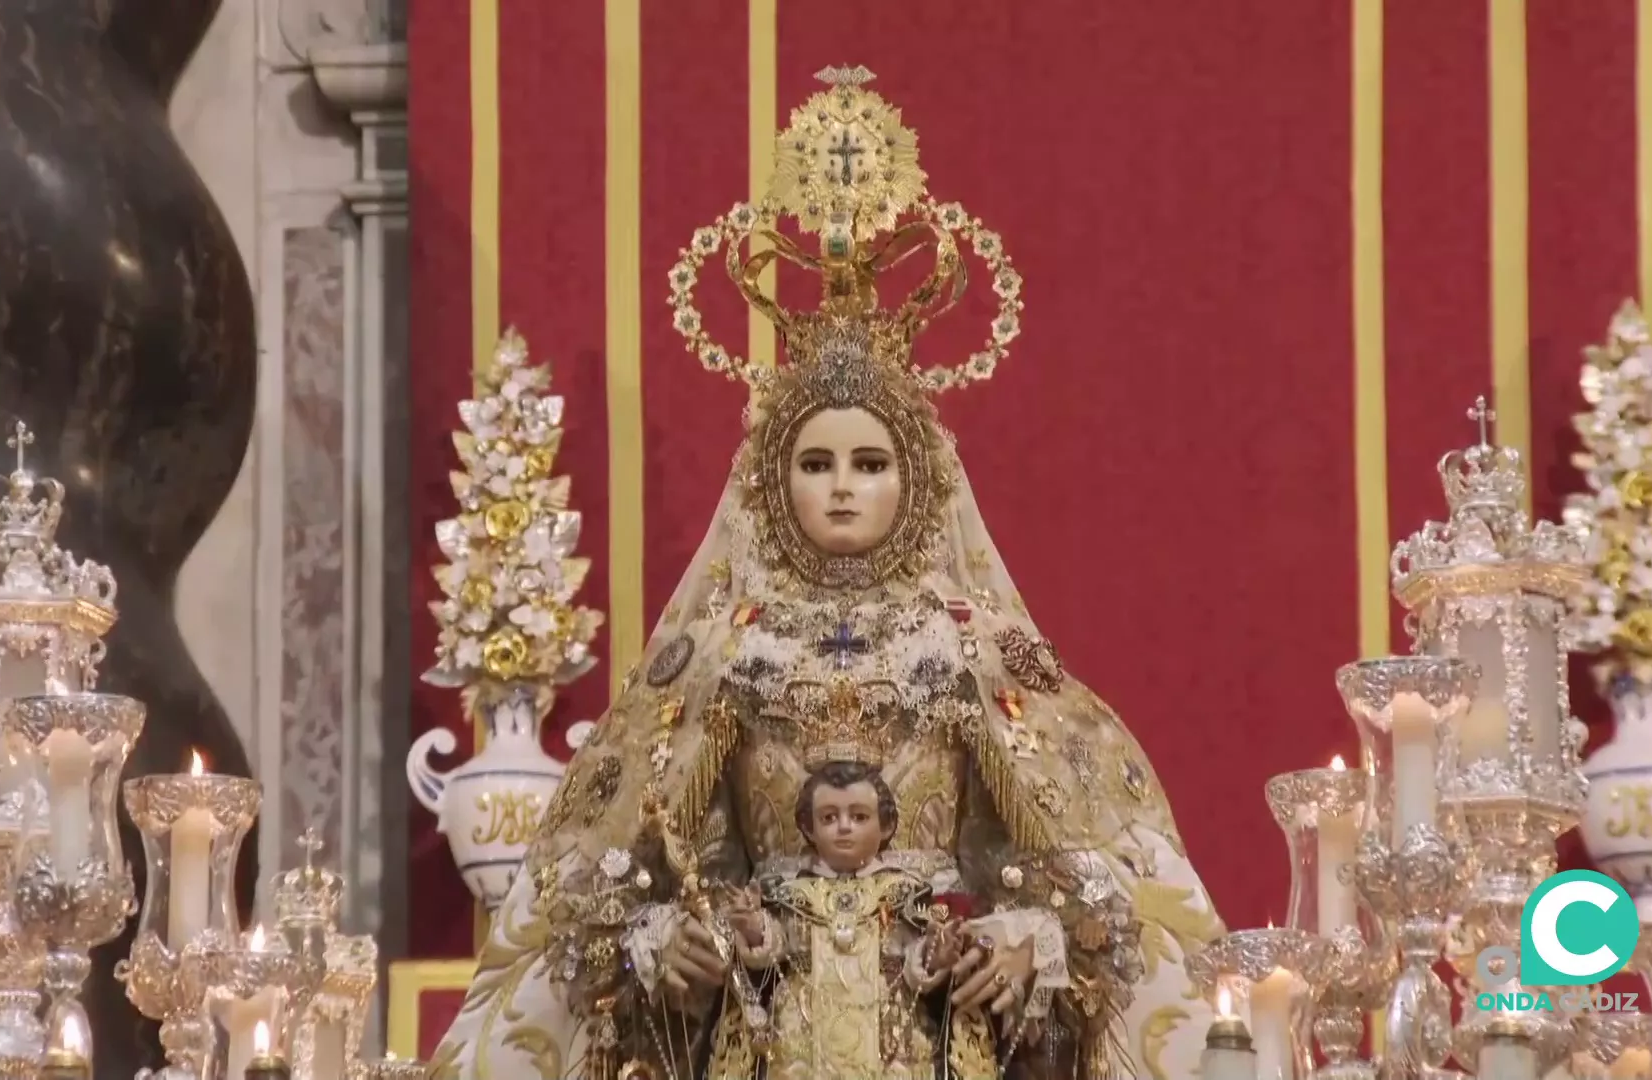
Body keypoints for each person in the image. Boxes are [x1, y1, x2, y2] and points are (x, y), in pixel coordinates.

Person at [431, 67, 1223, 1080]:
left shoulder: (969, 646)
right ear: (772, 481)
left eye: (869, 463)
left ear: (916, 480)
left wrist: (1029, 938)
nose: (842, 488)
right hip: (763, 1037)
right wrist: (659, 944)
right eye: (816, 464)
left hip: (936, 1040)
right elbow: (605, 891)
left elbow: (1102, 893)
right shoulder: (723, 651)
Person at [712, 720, 1000, 1079]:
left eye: (859, 816)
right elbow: (773, 951)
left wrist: (934, 956)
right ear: (808, 828)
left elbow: (915, 963)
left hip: (889, 1028)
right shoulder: (788, 891)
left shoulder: (906, 892)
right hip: (801, 1030)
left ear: (885, 826)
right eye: (829, 817)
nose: (844, 827)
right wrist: (755, 929)